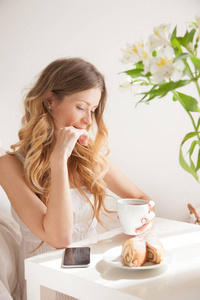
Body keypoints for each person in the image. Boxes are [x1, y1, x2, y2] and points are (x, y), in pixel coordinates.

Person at [0, 57, 154, 300]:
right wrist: (59, 158)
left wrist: (147, 216)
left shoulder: (90, 156)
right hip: (44, 286)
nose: (88, 121)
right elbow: (59, 238)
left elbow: (140, 198)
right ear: (50, 101)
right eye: (82, 107)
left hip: (90, 280)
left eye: (93, 110)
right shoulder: (9, 166)